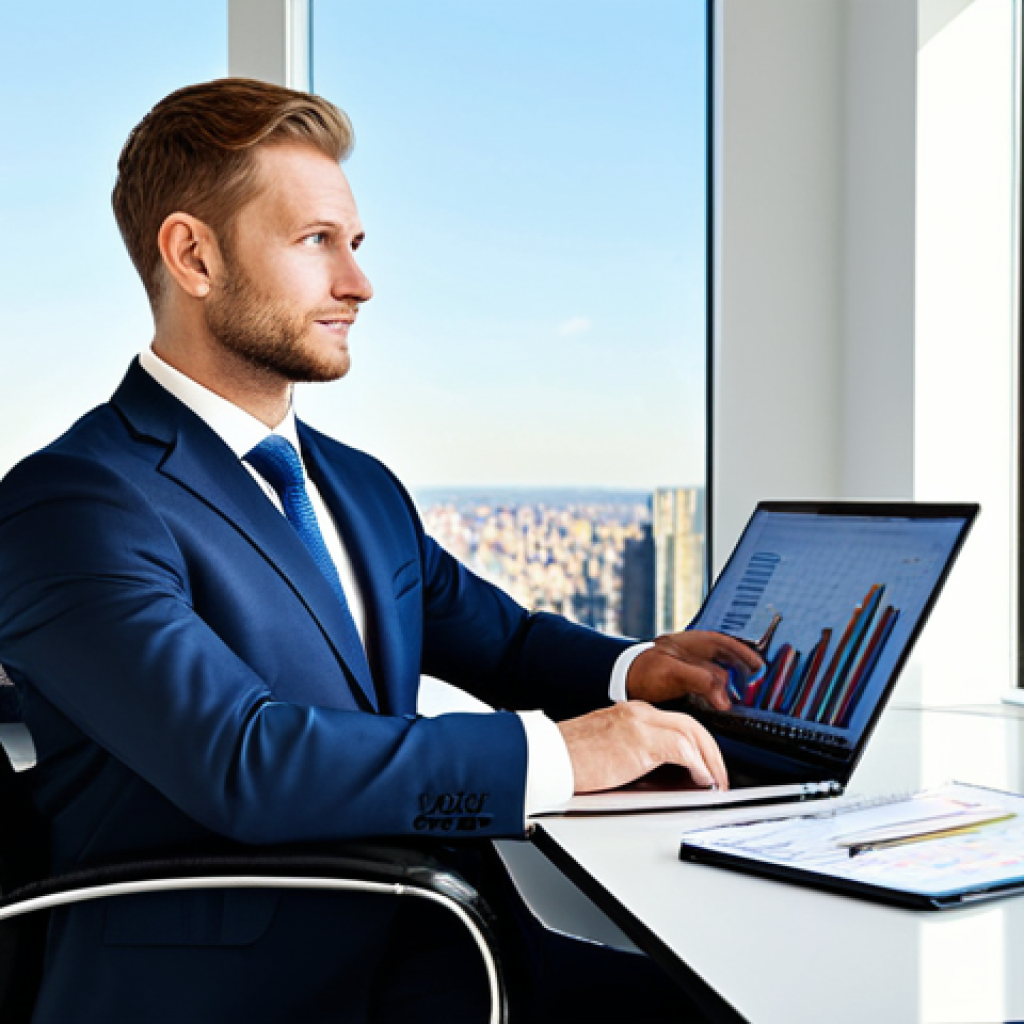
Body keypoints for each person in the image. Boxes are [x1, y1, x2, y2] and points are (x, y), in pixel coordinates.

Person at [0, 79, 761, 1023]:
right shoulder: (74, 500)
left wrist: (637, 670)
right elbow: (243, 759)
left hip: (437, 947)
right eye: (316, 241)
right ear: (193, 255)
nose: (358, 284)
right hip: (233, 995)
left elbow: (505, 644)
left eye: (353, 246)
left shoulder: (357, 486)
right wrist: (562, 755)